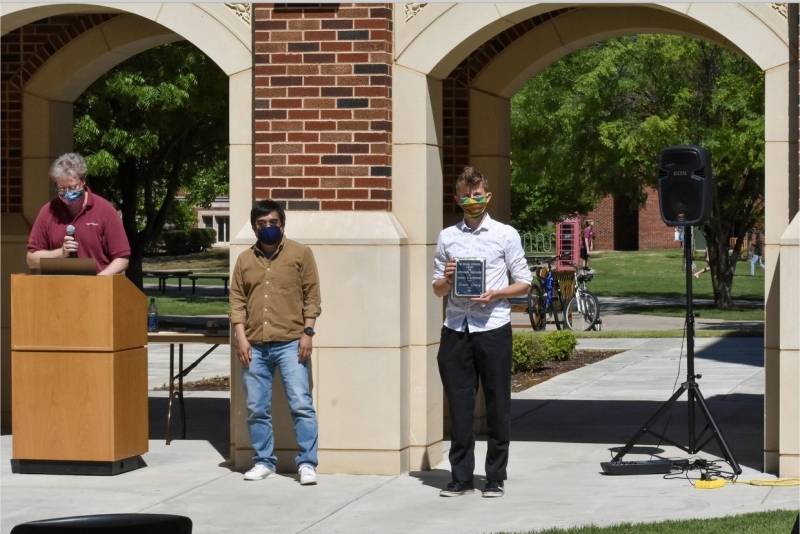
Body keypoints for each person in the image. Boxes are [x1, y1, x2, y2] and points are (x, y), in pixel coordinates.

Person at [432, 167, 533, 498]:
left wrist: (496, 293)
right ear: (457, 198)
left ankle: (494, 476)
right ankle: (460, 476)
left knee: (497, 403)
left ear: (487, 196)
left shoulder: (505, 234)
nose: (472, 200)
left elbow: (524, 282)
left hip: (493, 328)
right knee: (459, 406)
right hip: (455, 328)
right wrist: (447, 278)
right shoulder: (448, 237)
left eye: (477, 195)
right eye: (466, 195)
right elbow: (436, 289)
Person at [229, 200, 321, 485]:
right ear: (255, 227)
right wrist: (241, 339)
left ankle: (307, 463)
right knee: (257, 407)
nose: (267, 227)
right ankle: (264, 461)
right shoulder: (244, 260)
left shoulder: (301, 254)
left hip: (291, 344)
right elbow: (236, 301)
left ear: (282, 224)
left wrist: (308, 333)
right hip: (254, 345)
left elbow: (312, 297)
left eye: (272, 222)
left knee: (301, 404)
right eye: (261, 224)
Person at [26, 153, 130, 275]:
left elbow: (122, 259)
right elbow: (31, 260)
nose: (67, 193)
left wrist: (99, 281)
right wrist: (60, 253)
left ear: (83, 180)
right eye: (62, 189)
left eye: (72, 187)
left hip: (97, 289)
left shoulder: (105, 210)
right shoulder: (48, 211)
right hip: (57, 290)